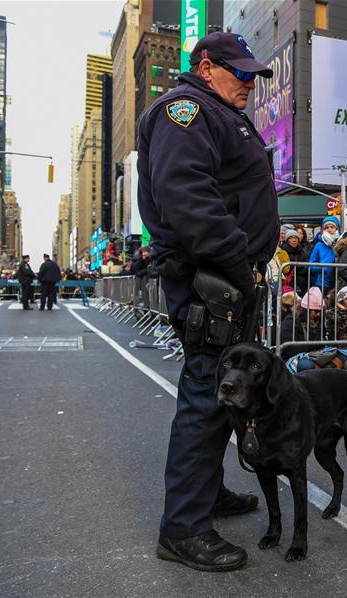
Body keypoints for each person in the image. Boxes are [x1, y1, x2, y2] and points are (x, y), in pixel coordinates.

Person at [136, 31, 279, 572]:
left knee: (223, 392)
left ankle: (208, 495)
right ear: (206, 65)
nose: (249, 83)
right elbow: (186, 196)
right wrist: (239, 262)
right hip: (212, 279)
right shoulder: (186, 112)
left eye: (253, 75)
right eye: (239, 72)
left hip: (224, 277)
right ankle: (183, 529)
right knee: (206, 394)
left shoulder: (215, 112)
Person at [308, 216, 341, 292]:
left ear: (337, 228)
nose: (329, 229)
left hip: (339, 283)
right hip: (322, 283)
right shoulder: (319, 245)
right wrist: (322, 268)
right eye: (327, 227)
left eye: (332, 227)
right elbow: (310, 265)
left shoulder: (342, 243)